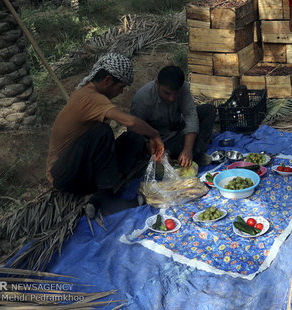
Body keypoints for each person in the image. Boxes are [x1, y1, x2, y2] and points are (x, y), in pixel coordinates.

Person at [46, 53, 164, 217]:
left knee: (134, 138)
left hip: (83, 167)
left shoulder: (89, 92)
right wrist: (155, 134)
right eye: (120, 87)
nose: (121, 92)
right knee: (102, 132)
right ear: (108, 80)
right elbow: (129, 121)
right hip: (64, 176)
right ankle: (107, 200)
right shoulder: (89, 97)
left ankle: (100, 197)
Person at [131, 65, 216, 168]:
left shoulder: (183, 87)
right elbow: (136, 135)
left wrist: (187, 149)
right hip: (162, 143)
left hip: (179, 130)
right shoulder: (142, 98)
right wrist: (158, 153)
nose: (171, 99)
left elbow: (190, 115)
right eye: (167, 93)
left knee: (209, 110)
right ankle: (190, 155)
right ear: (157, 84)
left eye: (176, 94)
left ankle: (191, 153)